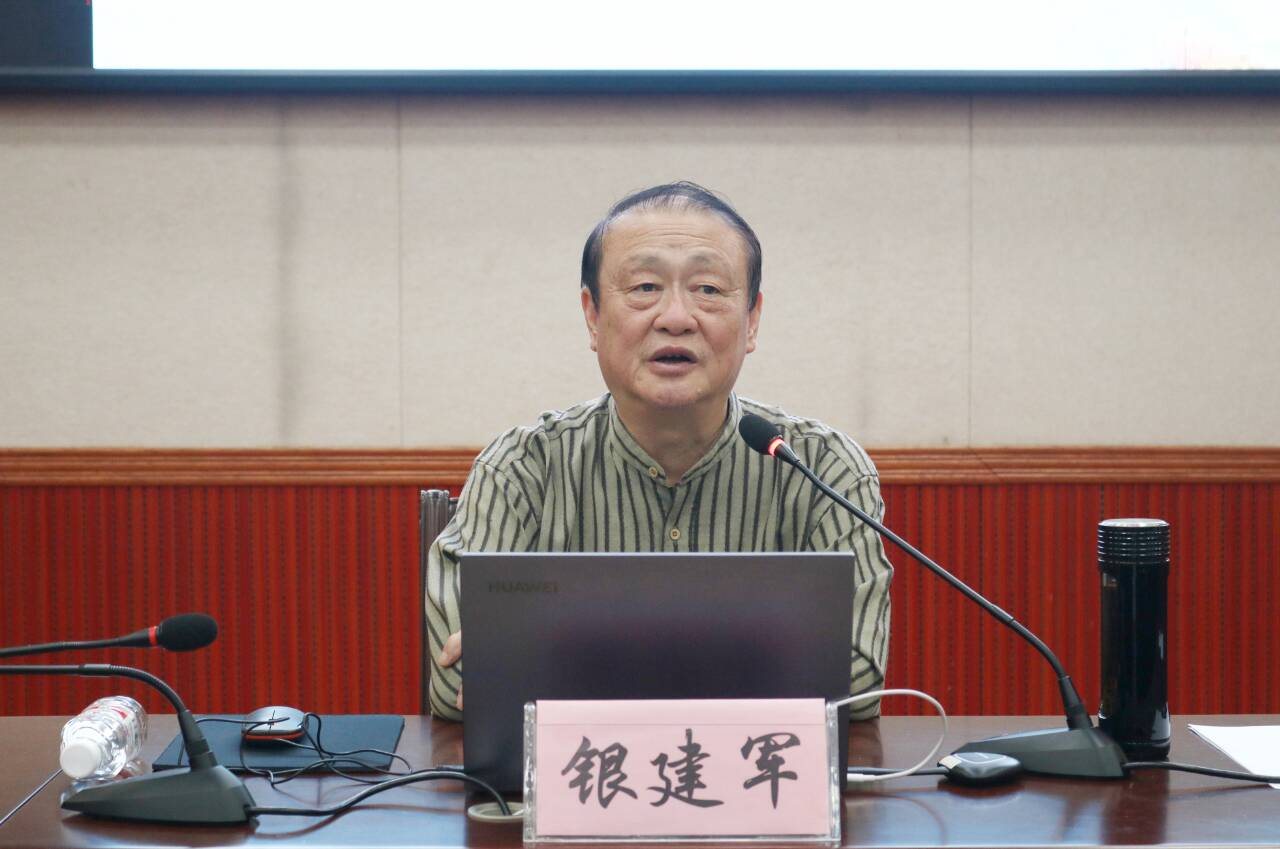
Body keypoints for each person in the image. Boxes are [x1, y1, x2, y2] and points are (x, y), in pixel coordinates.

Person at [425, 182, 892, 721]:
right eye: (645, 287)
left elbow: (857, 677)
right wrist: (752, 662)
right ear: (593, 316)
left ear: (752, 321)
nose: (676, 317)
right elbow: (457, 678)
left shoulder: (822, 469)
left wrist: (561, 657)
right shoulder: (522, 470)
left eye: (708, 289)